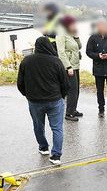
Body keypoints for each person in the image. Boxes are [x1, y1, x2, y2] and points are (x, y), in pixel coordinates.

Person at [17, 37, 68, 165]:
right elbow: (65, 83)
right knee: (57, 128)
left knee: (38, 126)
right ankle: (56, 155)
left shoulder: (27, 61)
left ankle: (43, 147)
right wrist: (62, 95)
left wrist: (27, 95)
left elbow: (20, 83)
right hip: (54, 100)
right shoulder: (56, 61)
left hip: (35, 101)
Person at [86, 19, 107, 117]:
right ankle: (101, 109)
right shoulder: (93, 37)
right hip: (98, 69)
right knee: (99, 90)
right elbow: (88, 52)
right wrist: (98, 56)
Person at [56, 15, 82, 121]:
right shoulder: (61, 34)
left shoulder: (70, 34)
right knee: (72, 90)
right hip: (69, 67)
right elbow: (61, 52)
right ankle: (69, 113)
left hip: (75, 65)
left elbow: (79, 46)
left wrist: (76, 36)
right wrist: (68, 66)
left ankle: (73, 109)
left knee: (76, 89)